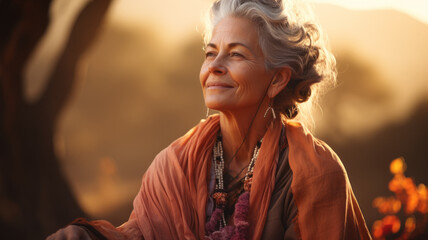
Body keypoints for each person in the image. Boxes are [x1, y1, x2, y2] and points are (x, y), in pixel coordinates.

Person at [47, 0, 372, 239]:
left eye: (235, 54)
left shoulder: (314, 175)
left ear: (277, 80)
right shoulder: (174, 164)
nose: (214, 65)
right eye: (210, 52)